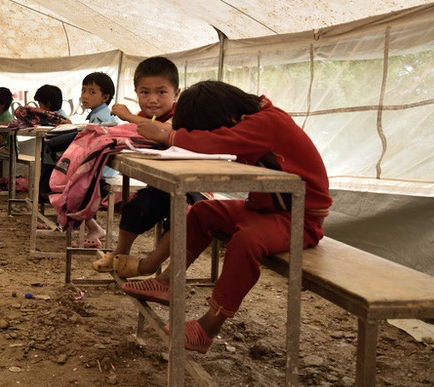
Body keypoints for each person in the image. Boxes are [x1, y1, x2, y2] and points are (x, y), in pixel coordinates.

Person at [122, 80, 331, 353]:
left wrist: (168, 136)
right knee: (202, 211)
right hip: (263, 211)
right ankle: (165, 282)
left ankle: (209, 326)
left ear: (228, 119)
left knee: (247, 242)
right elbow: (219, 141)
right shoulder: (254, 118)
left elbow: (220, 141)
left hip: (299, 220)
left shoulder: (268, 122)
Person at [92, 56, 202, 273]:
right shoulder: (144, 117)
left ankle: (151, 265)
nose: (153, 99)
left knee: (184, 215)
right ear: (136, 94)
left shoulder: (183, 113)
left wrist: (128, 116)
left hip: (196, 188)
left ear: (176, 93)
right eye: (145, 92)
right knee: (136, 208)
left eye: (161, 92)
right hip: (163, 186)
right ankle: (120, 253)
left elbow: (164, 131)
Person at [42, 72, 116, 247]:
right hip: (98, 166)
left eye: (91, 92)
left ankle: (93, 228)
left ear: (105, 97)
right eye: (83, 90)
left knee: (69, 188)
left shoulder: (100, 119)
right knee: (67, 181)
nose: (85, 96)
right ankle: (67, 224)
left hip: (100, 169)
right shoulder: (98, 115)